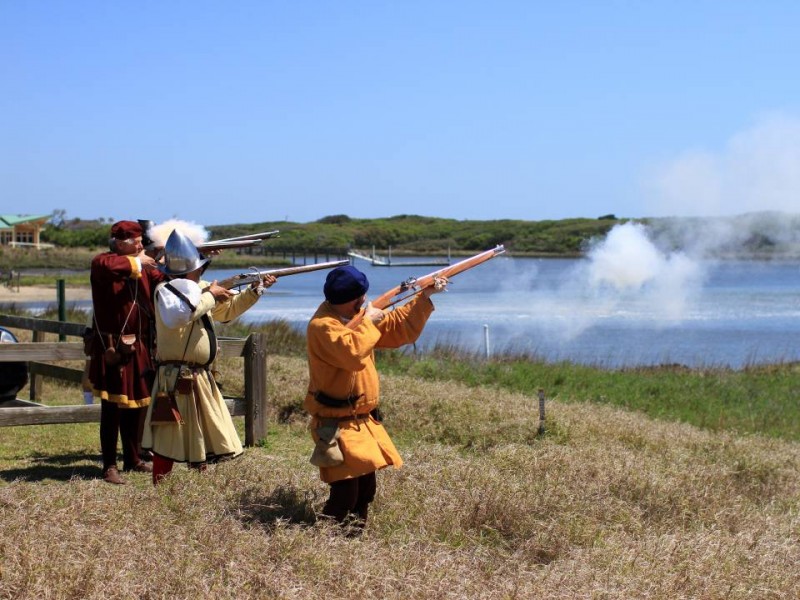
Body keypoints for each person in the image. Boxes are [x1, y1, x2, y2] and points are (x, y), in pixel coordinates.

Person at [304, 265, 447, 531]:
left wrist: (423, 297)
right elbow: (352, 353)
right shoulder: (322, 326)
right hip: (335, 422)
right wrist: (369, 320)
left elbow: (397, 328)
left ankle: (354, 537)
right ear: (343, 300)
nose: (362, 303)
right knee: (345, 492)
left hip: (362, 421)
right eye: (357, 301)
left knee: (366, 490)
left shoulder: (356, 317)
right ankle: (327, 538)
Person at [142, 228, 276, 484]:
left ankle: (199, 488)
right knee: (168, 433)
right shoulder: (165, 290)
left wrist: (254, 290)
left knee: (202, 433)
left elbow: (228, 312)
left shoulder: (201, 289)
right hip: (177, 375)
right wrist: (210, 296)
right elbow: (180, 315)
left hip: (200, 375)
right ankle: (161, 485)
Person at [88, 220, 164, 484]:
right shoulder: (103, 262)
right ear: (120, 242)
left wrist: (190, 257)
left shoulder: (142, 266)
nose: (141, 245)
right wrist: (141, 261)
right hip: (113, 346)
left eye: (141, 240)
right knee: (112, 408)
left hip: (140, 345)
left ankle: (133, 458)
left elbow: (165, 279)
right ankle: (109, 465)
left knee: (137, 407)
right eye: (136, 241)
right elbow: (111, 267)